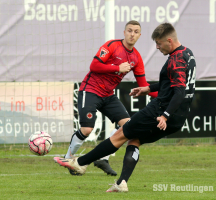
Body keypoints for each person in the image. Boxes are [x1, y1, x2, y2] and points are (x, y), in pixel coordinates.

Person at [54, 22, 196, 192]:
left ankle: (79, 163)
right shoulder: (188, 53)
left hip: (160, 110)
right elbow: (171, 84)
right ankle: (121, 183)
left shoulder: (174, 59)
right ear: (124, 32)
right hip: (177, 117)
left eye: (159, 43)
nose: (157, 47)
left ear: (169, 40)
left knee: (124, 131)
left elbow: (179, 92)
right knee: (133, 138)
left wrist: (164, 114)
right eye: (129, 30)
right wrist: (148, 89)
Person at [60, 20, 158, 176]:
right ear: (124, 32)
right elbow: (94, 66)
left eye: (136, 32)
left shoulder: (137, 58)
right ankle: (68, 159)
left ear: (140, 35)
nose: (132, 34)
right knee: (87, 129)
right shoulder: (112, 46)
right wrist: (117, 67)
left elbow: (144, 85)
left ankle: (102, 159)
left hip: (108, 95)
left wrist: (167, 93)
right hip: (90, 90)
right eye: (129, 30)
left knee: (128, 127)